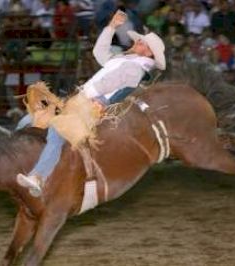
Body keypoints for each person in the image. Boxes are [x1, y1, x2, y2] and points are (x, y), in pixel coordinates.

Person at [17, 10, 166, 197]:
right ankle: (27, 165)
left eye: (142, 42)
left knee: (56, 132)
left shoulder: (137, 68)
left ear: (149, 52)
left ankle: (39, 177)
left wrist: (88, 94)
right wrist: (111, 27)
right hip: (82, 99)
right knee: (29, 120)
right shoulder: (126, 60)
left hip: (92, 104)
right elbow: (99, 52)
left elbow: (109, 84)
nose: (137, 42)